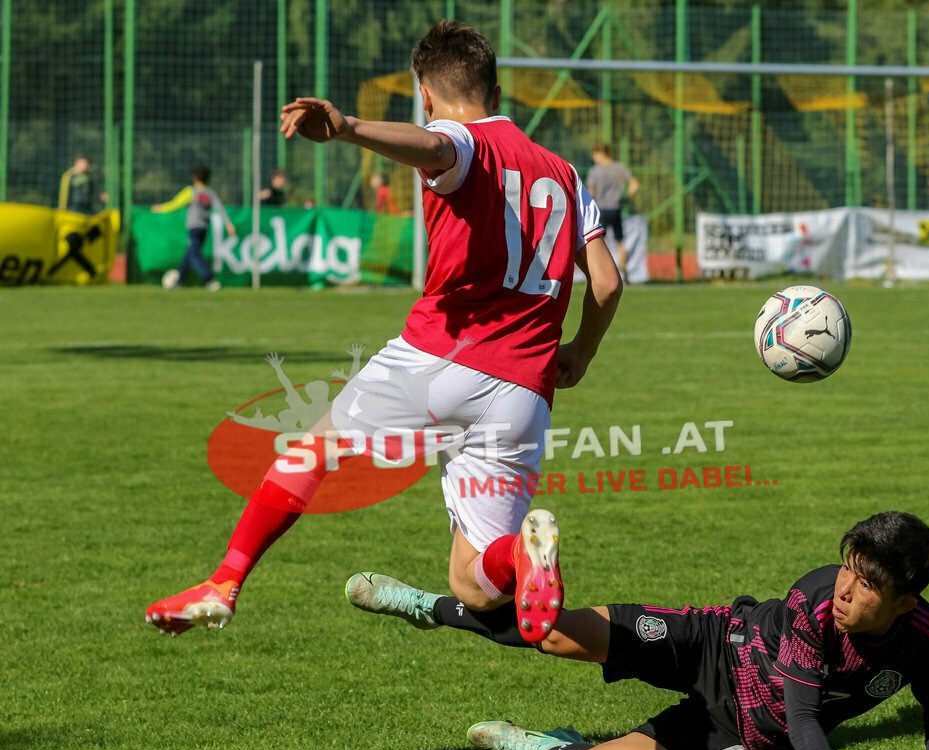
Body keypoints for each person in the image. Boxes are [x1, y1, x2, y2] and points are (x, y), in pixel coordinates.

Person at [144, 21, 622, 644]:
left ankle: (223, 584)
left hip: (439, 356)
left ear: (425, 92)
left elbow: (436, 149)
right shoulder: (565, 173)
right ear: (498, 91)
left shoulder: (456, 136)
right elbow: (608, 284)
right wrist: (580, 353)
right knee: (477, 584)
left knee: (311, 451)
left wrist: (348, 129)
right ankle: (524, 557)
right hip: (521, 392)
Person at [346, 511, 929, 750]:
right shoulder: (816, 599)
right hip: (711, 641)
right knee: (550, 632)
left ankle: (541, 745)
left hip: (740, 731)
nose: (844, 588)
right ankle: (430, 605)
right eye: (847, 568)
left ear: (903, 599)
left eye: (865, 584)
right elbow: (811, 718)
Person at [151, 165, 236, 291]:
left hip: (193, 227)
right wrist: (228, 223)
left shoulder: (191, 191)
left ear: (195, 178)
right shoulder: (210, 193)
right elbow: (220, 208)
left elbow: (175, 203)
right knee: (189, 254)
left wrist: (160, 208)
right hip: (204, 228)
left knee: (194, 254)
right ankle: (179, 282)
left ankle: (209, 279)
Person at [586, 143, 638, 276]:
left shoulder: (595, 170)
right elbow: (634, 184)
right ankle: (624, 273)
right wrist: (627, 198)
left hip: (601, 209)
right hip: (616, 208)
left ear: (599, 154)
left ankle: (604, 274)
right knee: (620, 242)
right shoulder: (620, 167)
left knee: (601, 243)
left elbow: (590, 192)